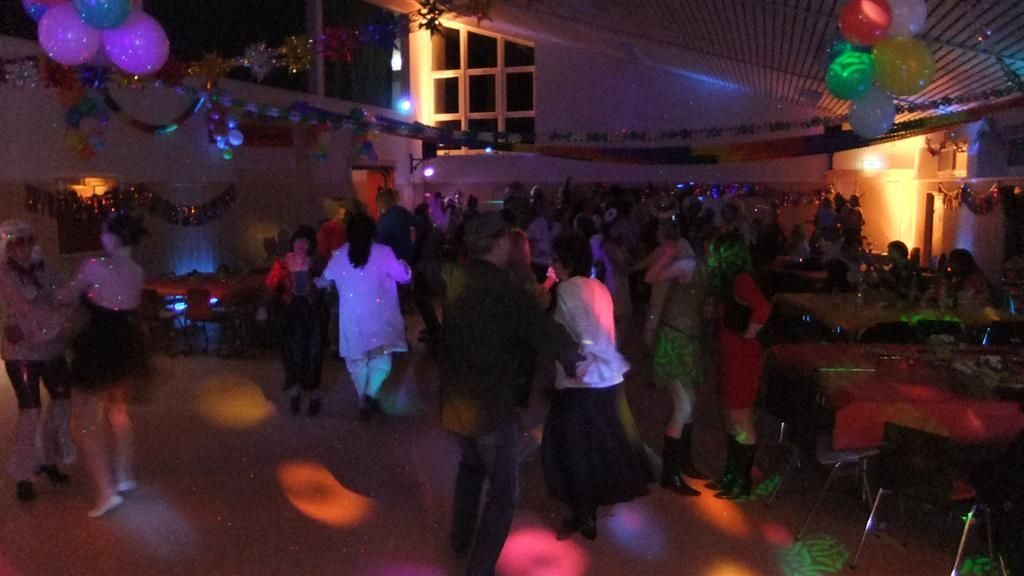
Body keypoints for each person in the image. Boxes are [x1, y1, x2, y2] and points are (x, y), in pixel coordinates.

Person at [439, 212, 582, 576]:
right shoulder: (507, 289)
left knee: (471, 467)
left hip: (455, 403)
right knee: (504, 494)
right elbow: (542, 331)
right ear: (500, 242)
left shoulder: (455, 276)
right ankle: (479, 569)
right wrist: (573, 355)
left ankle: (460, 538)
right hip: (489, 406)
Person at [542, 233, 650, 541]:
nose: (552, 265)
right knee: (598, 447)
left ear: (566, 261)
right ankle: (588, 509)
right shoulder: (598, 286)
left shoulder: (568, 289)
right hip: (608, 381)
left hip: (582, 383)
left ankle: (584, 515)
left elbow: (585, 331)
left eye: (555, 260)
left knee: (572, 449)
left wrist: (583, 362)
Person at [60, 212, 149, 518]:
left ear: (114, 236)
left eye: (103, 232)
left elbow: (67, 295)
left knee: (85, 419)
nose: (101, 237)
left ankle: (105, 492)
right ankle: (124, 475)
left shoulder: (94, 266)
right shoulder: (137, 270)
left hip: (99, 345)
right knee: (118, 409)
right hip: (127, 344)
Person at [0, 220, 73, 502]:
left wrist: (65, 304)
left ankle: (49, 458)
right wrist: (54, 315)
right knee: (30, 412)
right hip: (22, 354)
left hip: (51, 348)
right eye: (19, 241)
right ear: (8, 245)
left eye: (29, 240)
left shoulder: (44, 268)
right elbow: (23, 307)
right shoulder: (4, 273)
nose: (25, 247)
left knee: (62, 402)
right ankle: (24, 474)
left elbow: (63, 295)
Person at [318, 213, 412, 421]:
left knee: (357, 362)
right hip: (380, 317)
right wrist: (405, 265)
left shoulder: (340, 255)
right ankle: (369, 395)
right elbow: (403, 276)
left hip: (352, 318)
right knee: (381, 360)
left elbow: (324, 280)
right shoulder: (384, 252)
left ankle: (363, 399)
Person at [643, 219, 708, 497]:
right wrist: (666, 256)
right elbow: (649, 278)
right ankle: (671, 474)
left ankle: (683, 463)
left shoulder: (696, 266)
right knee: (683, 406)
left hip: (687, 341)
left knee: (689, 404)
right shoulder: (686, 265)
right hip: (674, 341)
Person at [705, 231, 771, 500]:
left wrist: (750, 332)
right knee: (732, 416)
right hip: (732, 353)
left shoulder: (742, 280)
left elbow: (763, 308)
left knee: (739, 416)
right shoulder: (731, 280)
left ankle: (742, 480)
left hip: (741, 355)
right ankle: (733, 473)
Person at [265, 226, 327, 416]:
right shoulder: (282, 263)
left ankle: (314, 394)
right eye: (299, 240)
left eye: (306, 241)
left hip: (312, 312)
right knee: (293, 353)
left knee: (314, 353)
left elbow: (327, 284)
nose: (302, 244)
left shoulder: (316, 263)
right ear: (293, 242)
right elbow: (270, 285)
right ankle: (295, 391)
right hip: (291, 313)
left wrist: (321, 284)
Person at [526, 187, 562, 283]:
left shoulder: (557, 226)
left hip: (552, 265)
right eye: (549, 207)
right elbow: (529, 243)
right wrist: (535, 252)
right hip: (538, 264)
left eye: (553, 208)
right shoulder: (535, 225)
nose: (552, 210)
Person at [375, 187, 416, 264]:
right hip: (405, 255)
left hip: (392, 258)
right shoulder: (402, 211)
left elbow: (380, 240)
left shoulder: (384, 219)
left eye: (378, 203)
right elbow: (415, 222)